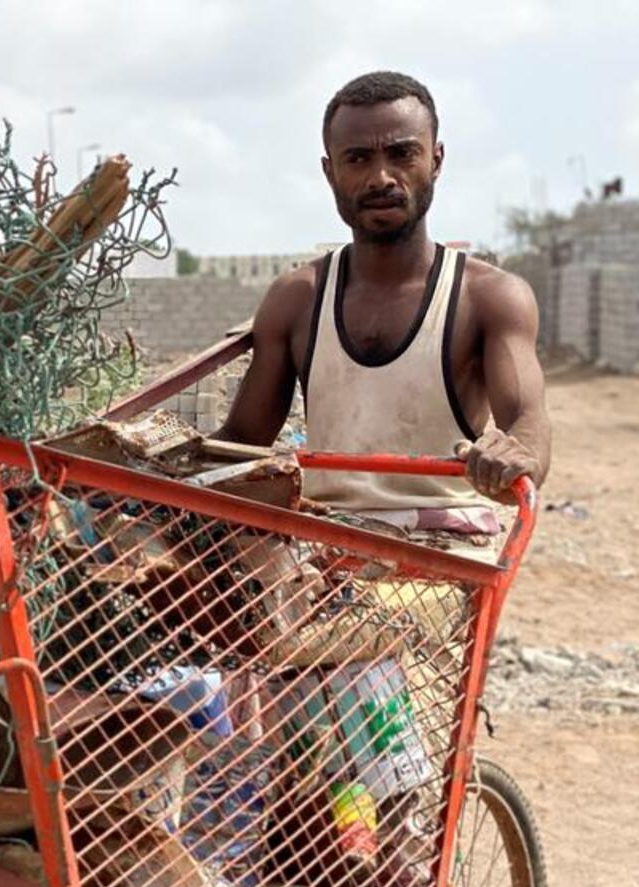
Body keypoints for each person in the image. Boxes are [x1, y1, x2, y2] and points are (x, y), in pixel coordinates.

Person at [212, 70, 550, 556]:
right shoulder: (297, 298)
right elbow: (243, 440)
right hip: (323, 541)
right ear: (330, 172)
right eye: (358, 159)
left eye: (402, 154)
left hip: (444, 546)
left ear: (436, 160)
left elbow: (527, 424)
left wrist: (512, 456)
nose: (381, 178)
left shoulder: (489, 297)